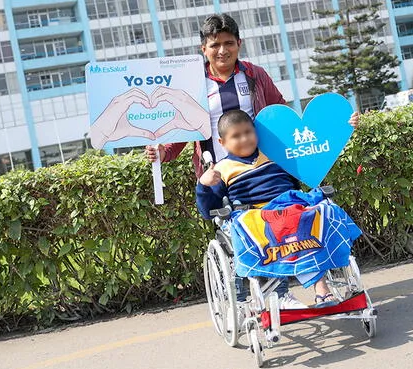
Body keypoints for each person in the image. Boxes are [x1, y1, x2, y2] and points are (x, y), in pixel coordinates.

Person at [144, 13, 359, 175]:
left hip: (264, 170)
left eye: (228, 43)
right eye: (215, 45)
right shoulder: (194, 84)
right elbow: (184, 129)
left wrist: (338, 123)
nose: (222, 51)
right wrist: (163, 153)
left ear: (239, 43)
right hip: (218, 177)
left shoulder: (256, 75)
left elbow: (282, 117)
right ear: (204, 49)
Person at [198, 109, 340, 308]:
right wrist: (203, 185)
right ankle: (280, 296)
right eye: (236, 136)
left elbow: (298, 179)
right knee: (280, 228)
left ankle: (322, 288)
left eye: (248, 132)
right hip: (254, 215)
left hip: (289, 206)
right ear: (222, 143)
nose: (244, 138)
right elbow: (207, 211)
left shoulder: (275, 155)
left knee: (318, 215)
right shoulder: (222, 169)